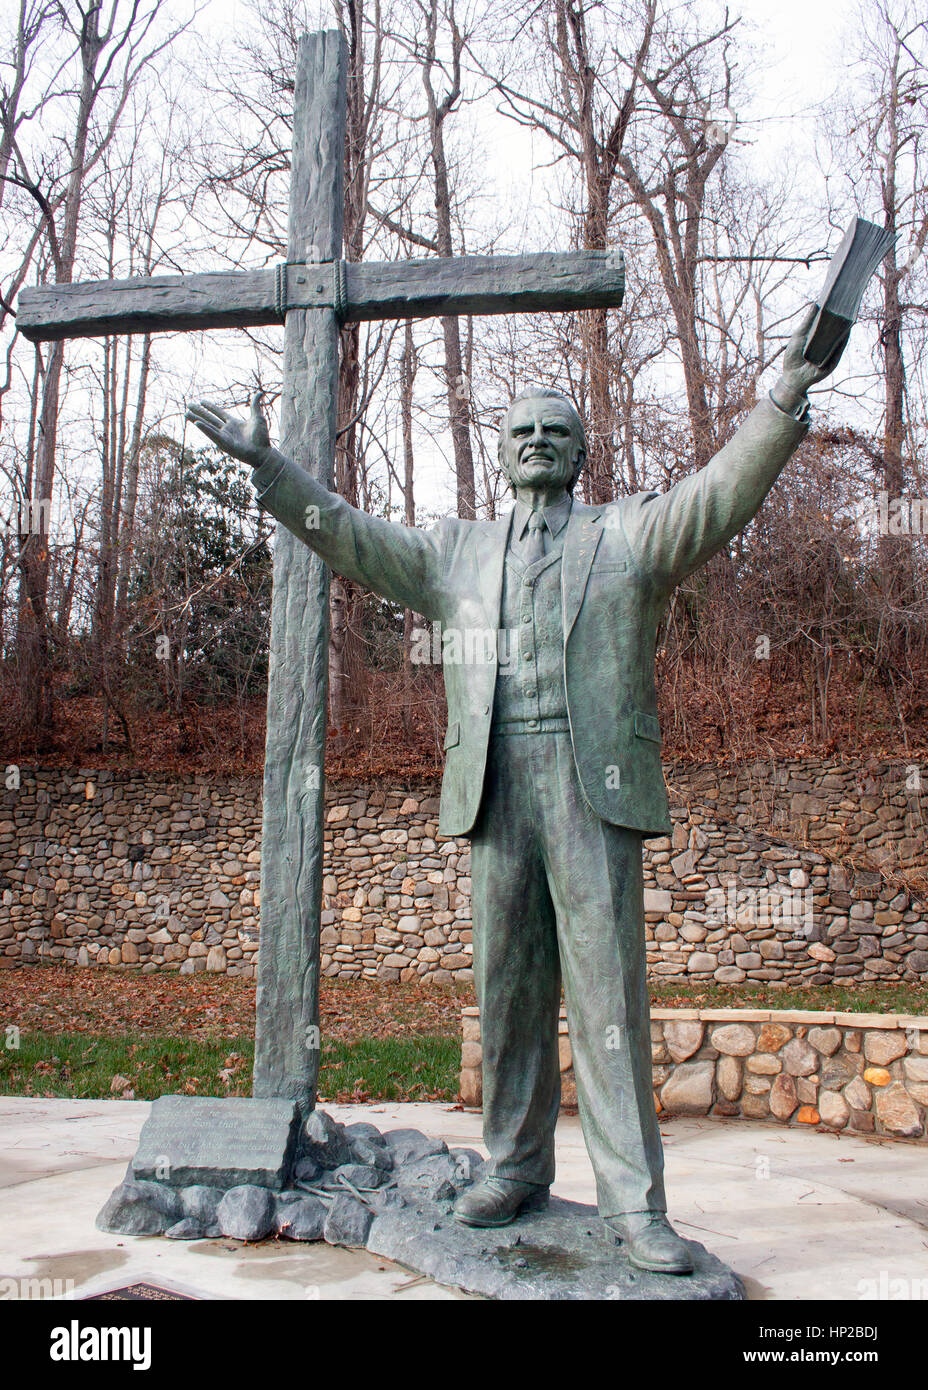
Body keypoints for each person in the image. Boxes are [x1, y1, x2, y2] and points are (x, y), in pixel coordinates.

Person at [187, 303, 848, 1274]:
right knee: (507, 993)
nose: (538, 441)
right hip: (497, 789)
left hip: (591, 787)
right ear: (501, 455)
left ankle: (635, 1207)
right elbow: (355, 539)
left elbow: (723, 493)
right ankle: (513, 1165)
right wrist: (270, 471)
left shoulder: (628, 536)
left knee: (608, 998)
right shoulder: (455, 552)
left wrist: (783, 393)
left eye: (556, 431)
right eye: (521, 432)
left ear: (579, 454)